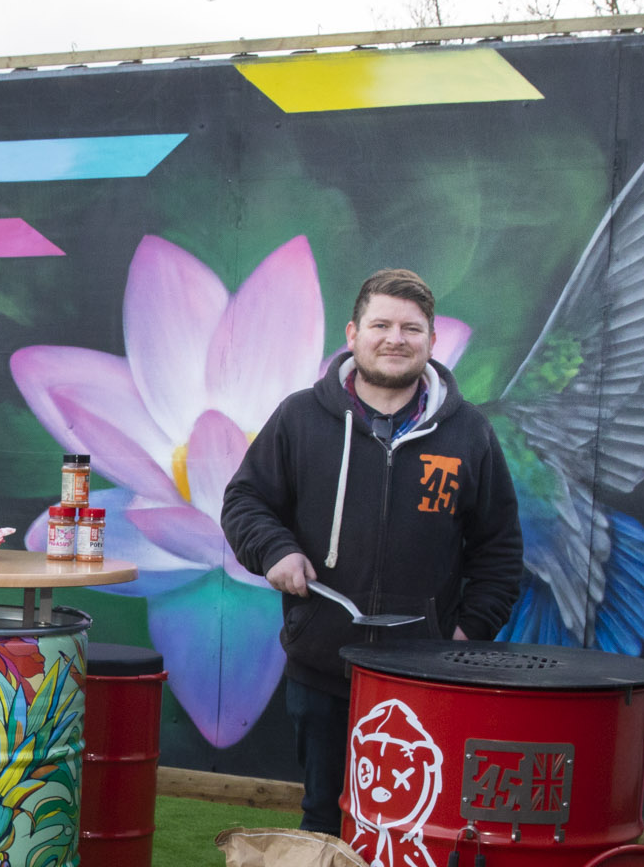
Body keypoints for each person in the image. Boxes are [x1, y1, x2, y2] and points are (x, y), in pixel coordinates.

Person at [220, 268, 524, 834]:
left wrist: (464, 636)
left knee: (418, 824)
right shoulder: (300, 418)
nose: (395, 339)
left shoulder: (470, 435)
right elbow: (244, 503)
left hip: (426, 678)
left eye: (412, 328)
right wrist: (276, 552)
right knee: (324, 814)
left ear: (432, 341)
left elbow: (499, 550)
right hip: (322, 665)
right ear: (353, 332)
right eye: (381, 324)